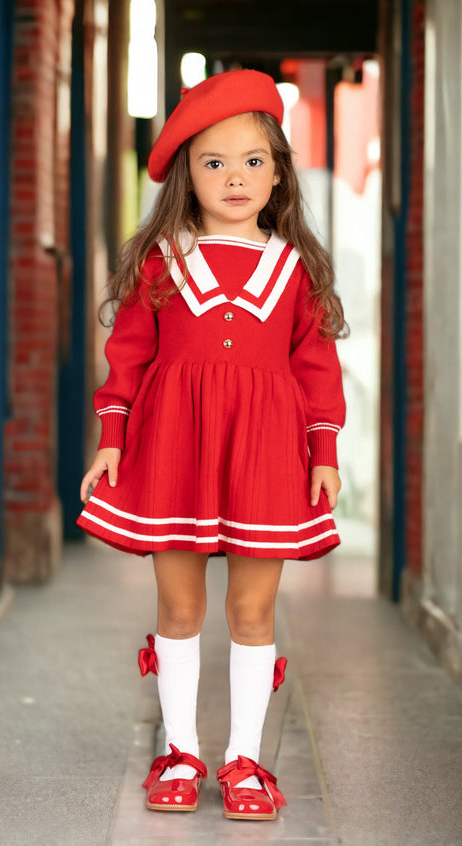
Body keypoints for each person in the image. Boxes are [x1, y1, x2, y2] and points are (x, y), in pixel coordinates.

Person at [77, 69, 347, 821]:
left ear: (278, 174)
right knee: (179, 599)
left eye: (253, 161)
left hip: (266, 453)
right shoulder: (162, 260)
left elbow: (317, 370)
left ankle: (243, 762)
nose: (235, 177)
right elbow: (126, 358)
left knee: (255, 611)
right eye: (214, 162)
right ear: (185, 175)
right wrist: (111, 440)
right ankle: (181, 749)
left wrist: (323, 453)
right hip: (174, 449)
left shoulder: (295, 269)